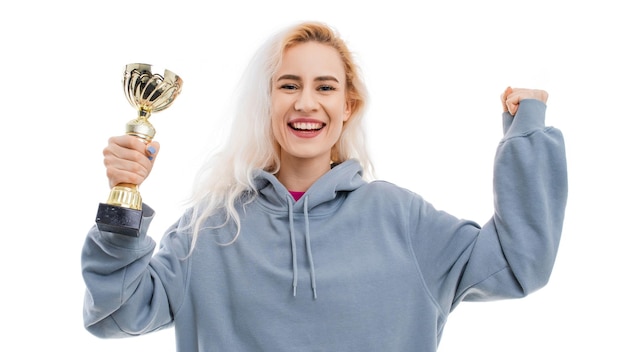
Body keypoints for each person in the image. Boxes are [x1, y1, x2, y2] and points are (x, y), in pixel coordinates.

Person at [81, 21, 568, 351]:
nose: (306, 103)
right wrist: (122, 199)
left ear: (348, 106)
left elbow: (518, 264)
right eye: (289, 85)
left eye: (326, 87)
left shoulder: (402, 219)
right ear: (266, 101)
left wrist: (527, 131)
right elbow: (114, 313)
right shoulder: (208, 228)